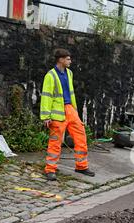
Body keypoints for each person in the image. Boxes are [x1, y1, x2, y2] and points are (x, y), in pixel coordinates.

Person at [40, 48, 95, 181]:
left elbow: (71, 93)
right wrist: (46, 116)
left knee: (81, 135)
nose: (70, 61)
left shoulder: (69, 73)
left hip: (70, 110)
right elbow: (46, 96)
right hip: (57, 113)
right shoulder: (50, 75)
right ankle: (50, 170)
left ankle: (81, 166)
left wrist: (74, 110)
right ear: (61, 59)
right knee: (55, 141)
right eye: (68, 58)